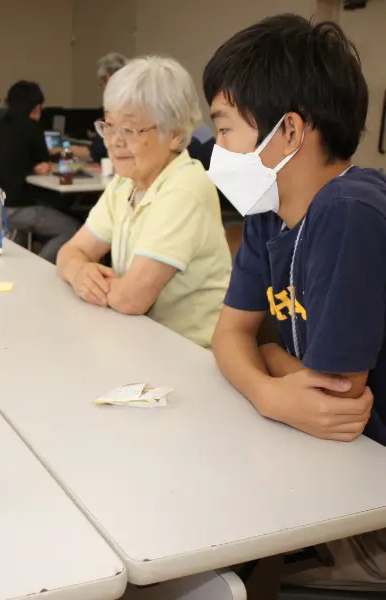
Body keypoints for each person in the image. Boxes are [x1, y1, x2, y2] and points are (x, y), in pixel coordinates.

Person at [205, 14, 386, 591]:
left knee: (245, 566)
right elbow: (229, 335)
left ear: (287, 132)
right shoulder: (268, 215)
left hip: (366, 485)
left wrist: (271, 358)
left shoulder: (349, 211)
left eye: (227, 129)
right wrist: (270, 387)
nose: (216, 148)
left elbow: (333, 400)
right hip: (333, 465)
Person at [57, 56, 231, 348]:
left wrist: (91, 280)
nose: (113, 141)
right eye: (109, 126)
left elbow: (131, 298)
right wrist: (79, 272)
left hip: (189, 356)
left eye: (130, 129)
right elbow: (71, 251)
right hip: (138, 341)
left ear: (175, 134)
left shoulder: (184, 188)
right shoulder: (126, 183)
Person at [0, 81, 81, 262]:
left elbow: (14, 157)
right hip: (16, 206)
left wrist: (31, 165)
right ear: (36, 107)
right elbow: (44, 159)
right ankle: (41, 267)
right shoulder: (31, 126)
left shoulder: (1, 123)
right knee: (72, 228)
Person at [70, 52, 129, 163]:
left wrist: (66, 150)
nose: (103, 89)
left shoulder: (118, 107)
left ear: (109, 78)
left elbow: (98, 150)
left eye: (102, 84)